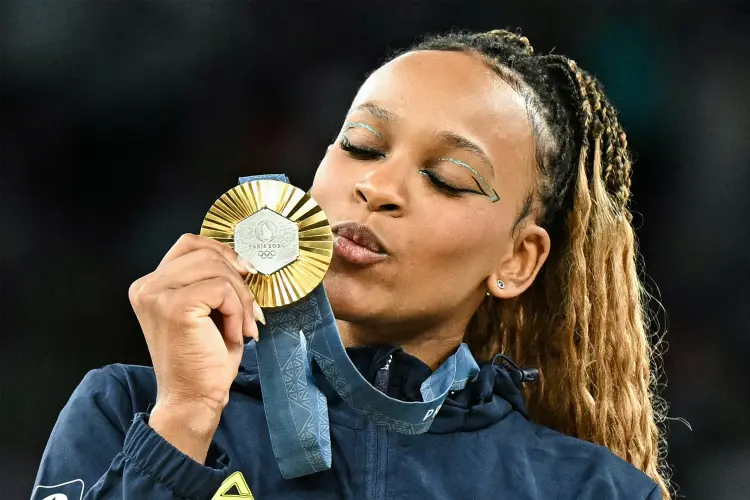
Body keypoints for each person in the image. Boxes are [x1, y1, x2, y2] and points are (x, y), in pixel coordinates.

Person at [32, 29, 670, 499]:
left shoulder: (592, 490)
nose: (379, 187)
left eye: (449, 178)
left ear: (517, 258)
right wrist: (185, 419)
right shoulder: (128, 410)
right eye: (362, 145)